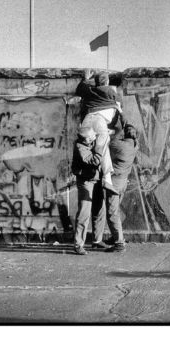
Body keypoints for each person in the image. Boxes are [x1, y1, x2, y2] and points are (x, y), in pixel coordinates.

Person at [93, 123, 140, 253]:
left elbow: (108, 143)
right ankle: (116, 238)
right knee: (114, 210)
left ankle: (119, 243)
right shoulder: (135, 145)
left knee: (112, 213)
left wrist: (117, 129)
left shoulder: (119, 145)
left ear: (125, 134)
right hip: (123, 182)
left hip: (113, 185)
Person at [76, 69, 121, 191]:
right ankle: (106, 178)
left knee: (89, 146)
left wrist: (85, 79)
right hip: (99, 120)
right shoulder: (110, 92)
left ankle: (92, 175)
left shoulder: (90, 91)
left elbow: (79, 89)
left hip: (87, 120)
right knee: (102, 147)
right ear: (106, 82)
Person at [70, 125, 103, 255]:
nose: (95, 135)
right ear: (87, 139)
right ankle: (78, 245)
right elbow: (93, 160)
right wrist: (100, 146)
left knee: (100, 210)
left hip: (96, 180)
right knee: (84, 213)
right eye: (93, 135)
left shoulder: (91, 141)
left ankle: (97, 240)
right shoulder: (80, 147)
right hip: (86, 182)